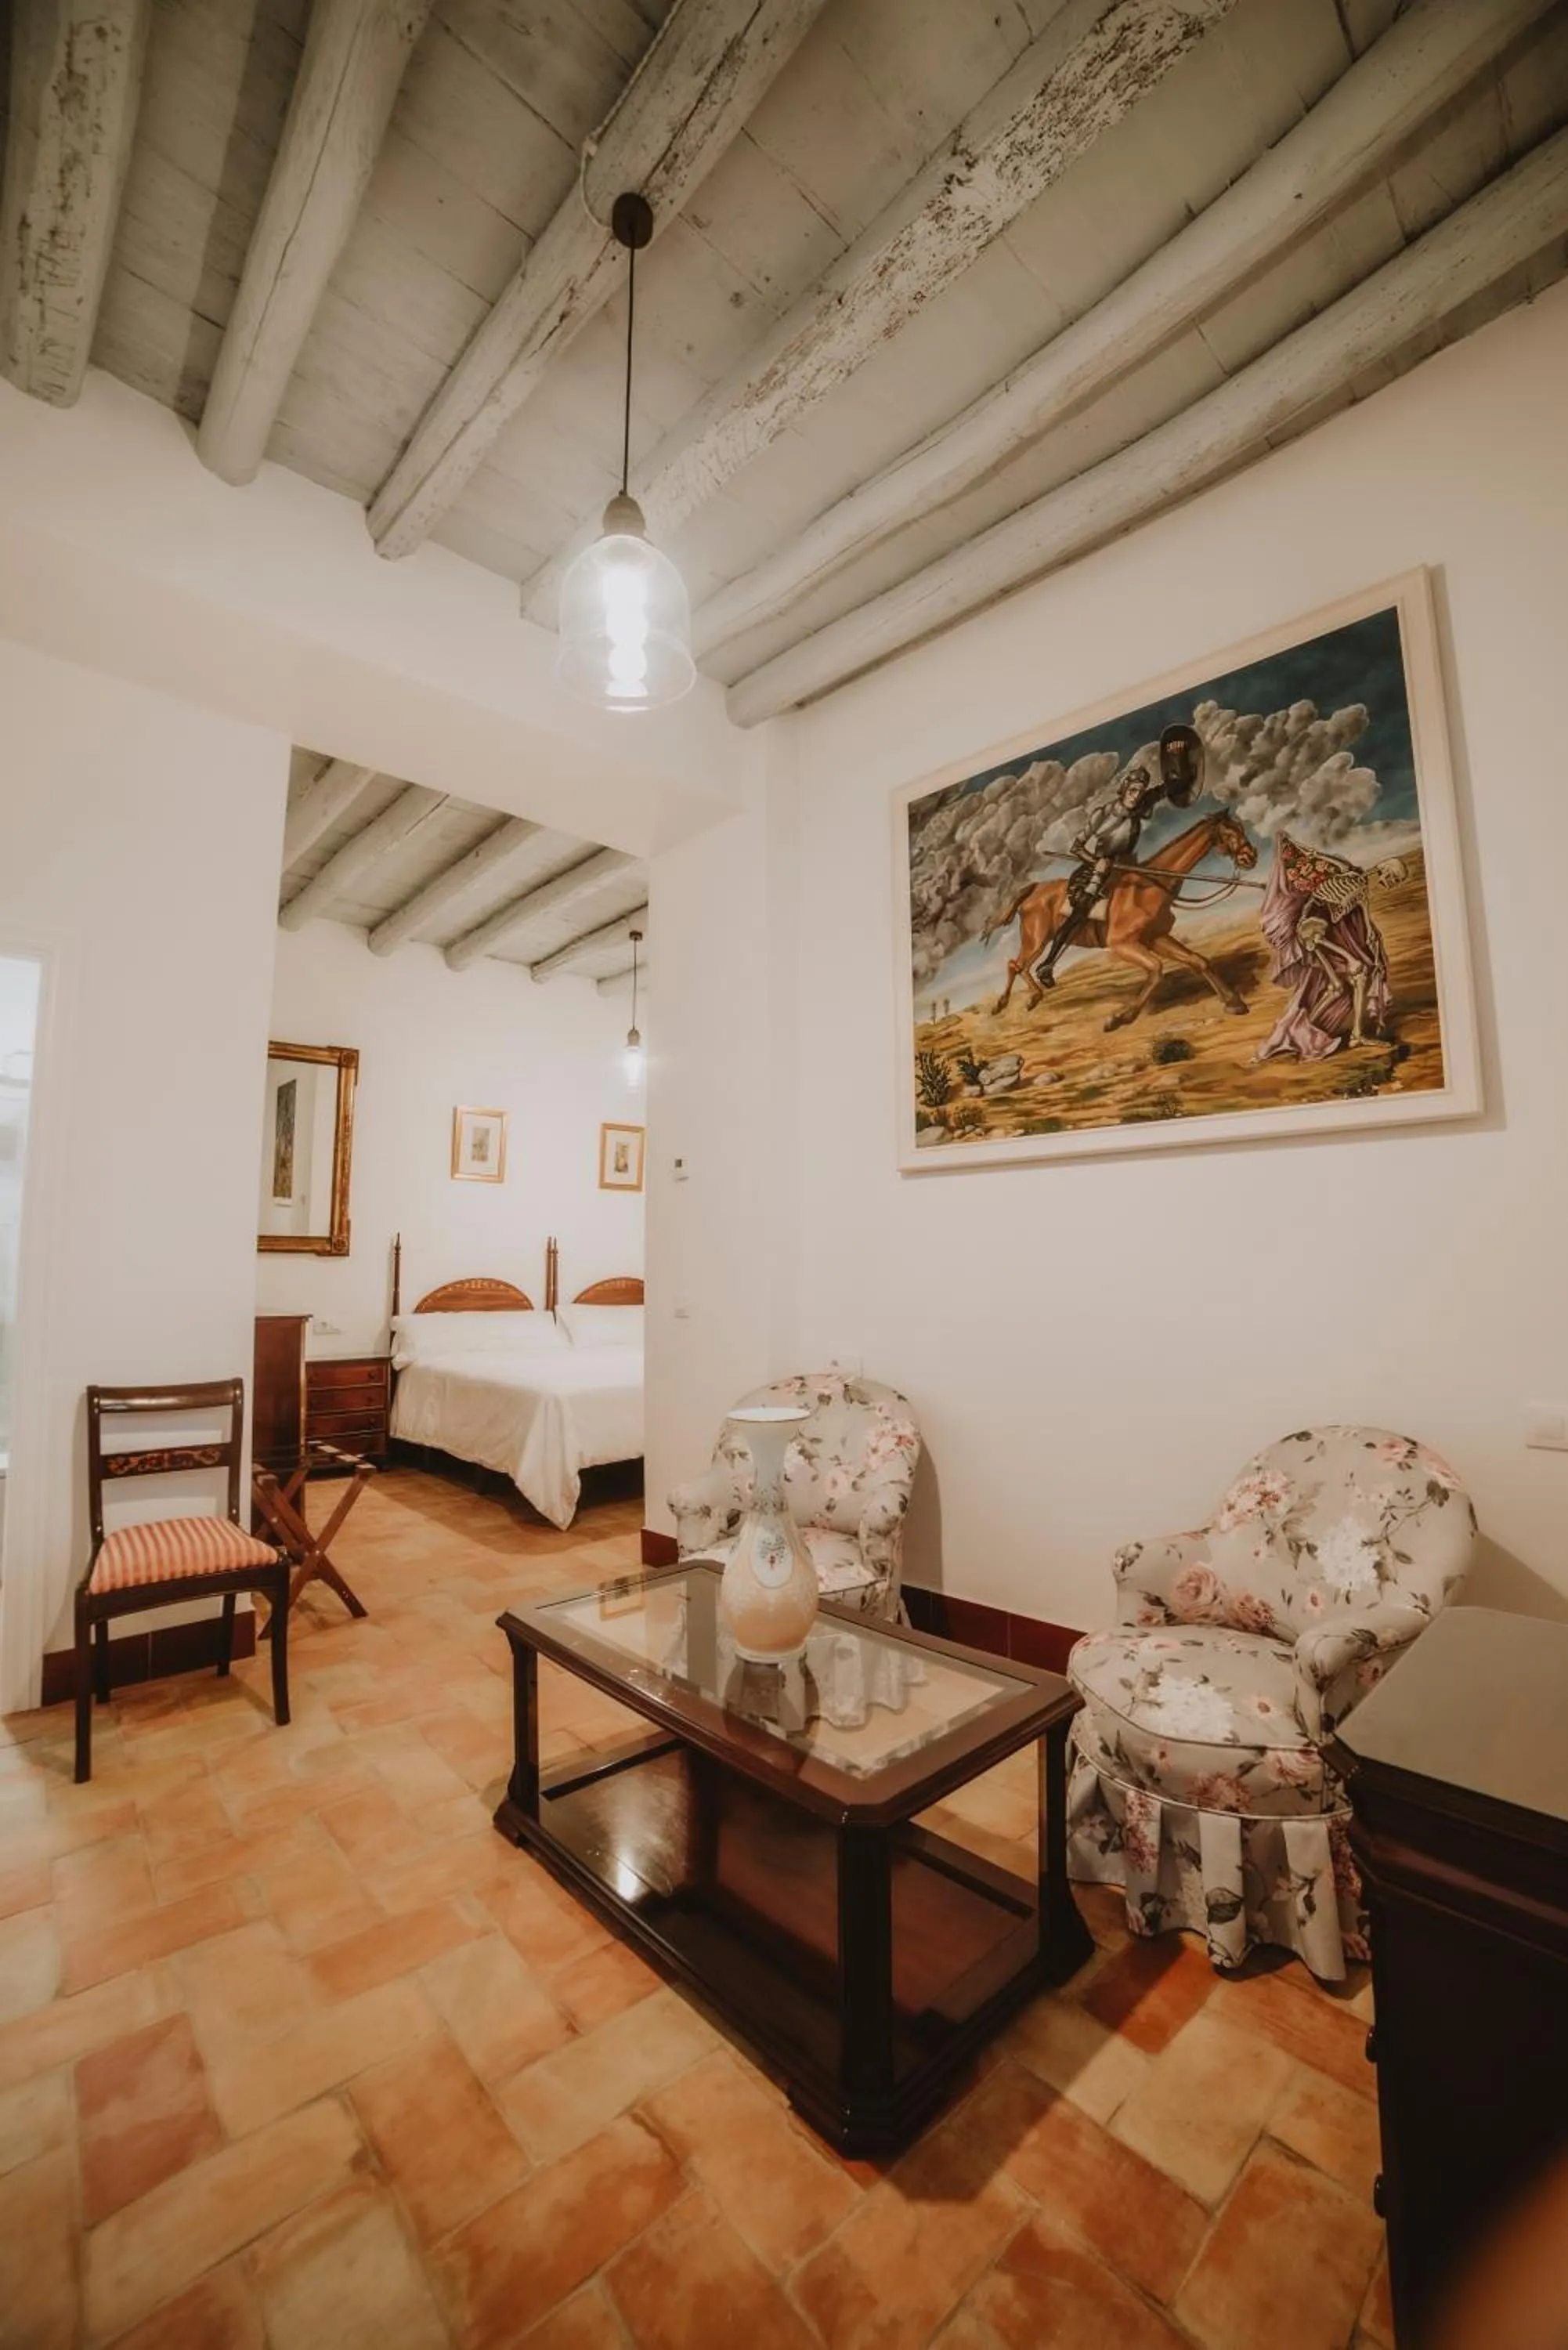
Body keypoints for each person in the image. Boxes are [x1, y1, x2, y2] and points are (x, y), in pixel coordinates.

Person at [1029, 723, 1205, 992]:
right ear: (1124, 790)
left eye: (1140, 791)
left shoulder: (1143, 803)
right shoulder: (1104, 814)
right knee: (1081, 908)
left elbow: (1175, 785)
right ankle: (1048, 963)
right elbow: (1077, 846)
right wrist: (1095, 861)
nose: (1137, 796)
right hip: (1097, 868)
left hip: (1127, 865)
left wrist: (1178, 755)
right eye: (1133, 791)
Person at [1256, 833, 1409, 1060]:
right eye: (1393, 878)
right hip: (1314, 934)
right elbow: (1323, 912)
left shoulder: (1358, 883)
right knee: (1356, 972)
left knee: (1344, 982)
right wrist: (1350, 953)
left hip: (1321, 934)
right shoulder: (1352, 880)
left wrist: (1372, 938)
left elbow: (1361, 918)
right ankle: (1308, 1030)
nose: (1391, 884)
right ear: (1385, 870)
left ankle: (1336, 1032)